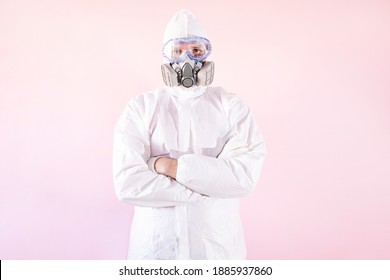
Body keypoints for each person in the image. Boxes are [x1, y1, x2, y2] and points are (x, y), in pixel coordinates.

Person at [113, 9, 266, 260]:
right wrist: (209, 188)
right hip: (154, 255)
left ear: (207, 54)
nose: (187, 59)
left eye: (196, 50)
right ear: (166, 56)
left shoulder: (230, 106)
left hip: (217, 254)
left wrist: (163, 165)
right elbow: (128, 184)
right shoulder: (141, 108)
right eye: (177, 51)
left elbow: (244, 178)